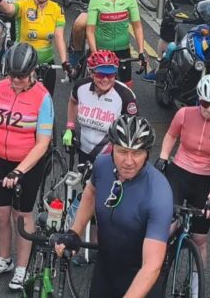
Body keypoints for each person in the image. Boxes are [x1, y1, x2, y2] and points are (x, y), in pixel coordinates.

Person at [53, 115, 171, 297]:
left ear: (147, 153)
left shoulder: (158, 191)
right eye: (122, 151)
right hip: (105, 272)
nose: (129, 161)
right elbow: (90, 193)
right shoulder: (102, 165)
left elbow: (151, 266)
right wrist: (75, 232)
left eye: (136, 153)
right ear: (112, 148)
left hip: (140, 280)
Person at [0, 43, 54, 289]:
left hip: (28, 162)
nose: (16, 80)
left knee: (21, 214)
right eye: (12, 75)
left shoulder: (43, 98)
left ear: (33, 71)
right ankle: (4, 258)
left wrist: (19, 170)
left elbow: (43, 143)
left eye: (21, 76)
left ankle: (22, 267)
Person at [156, 74, 210, 294]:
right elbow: (171, 135)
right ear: (199, 99)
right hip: (179, 173)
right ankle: (154, 266)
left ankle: (195, 287)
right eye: (205, 103)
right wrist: (163, 157)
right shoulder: (184, 114)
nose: (209, 109)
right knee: (166, 225)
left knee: (200, 238)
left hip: (205, 180)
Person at [0, 0, 68, 95]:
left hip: (47, 61)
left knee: (47, 97)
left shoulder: (57, 9)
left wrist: (65, 62)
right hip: (23, 60)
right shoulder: (24, 4)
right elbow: (9, 9)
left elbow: (59, 36)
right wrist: (1, 1)